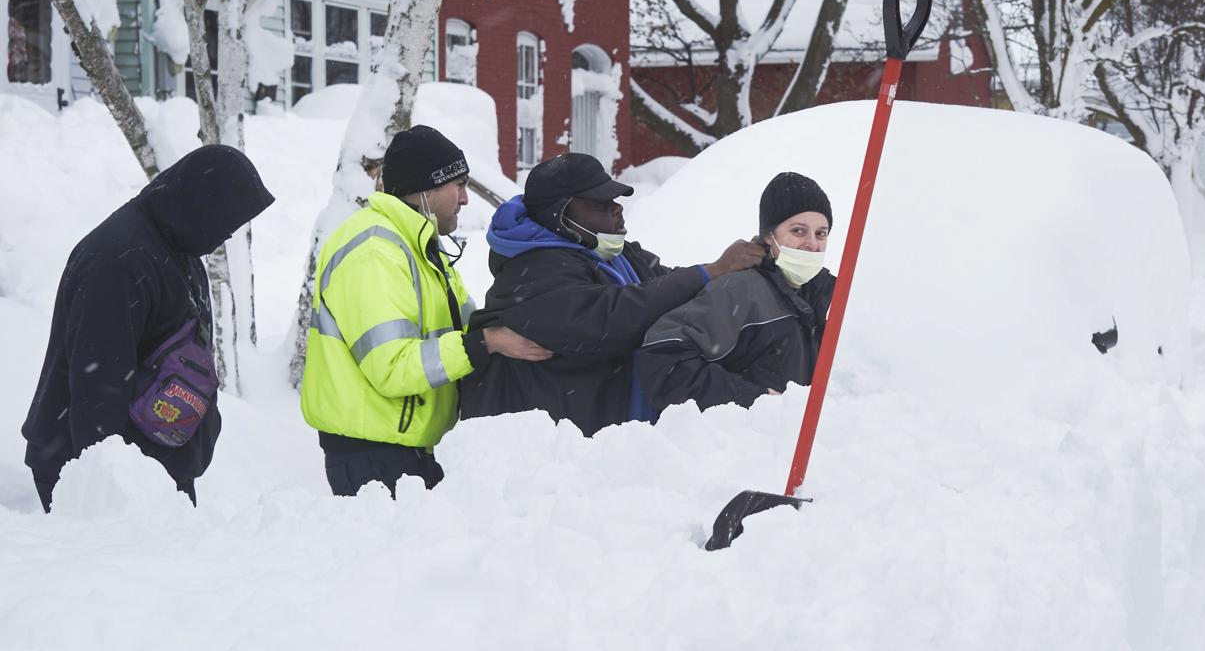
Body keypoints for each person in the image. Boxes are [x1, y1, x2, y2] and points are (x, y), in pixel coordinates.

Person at [300, 126, 550, 496]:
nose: (465, 199)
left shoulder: (417, 247)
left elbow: (467, 324)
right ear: (425, 190)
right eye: (458, 185)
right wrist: (487, 343)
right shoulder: (374, 252)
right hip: (373, 455)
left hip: (406, 447)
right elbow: (392, 367)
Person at [22, 144, 274, 510]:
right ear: (200, 205)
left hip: (154, 467)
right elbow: (97, 391)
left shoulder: (177, 244)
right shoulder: (117, 263)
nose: (229, 235)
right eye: (226, 221)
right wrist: (112, 490)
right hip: (103, 478)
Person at [460, 152, 766, 435]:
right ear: (560, 214)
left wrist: (741, 271)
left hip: (603, 431)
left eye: (615, 200)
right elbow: (607, 319)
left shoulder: (609, 252)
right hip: (548, 455)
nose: (616, 209)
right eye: (600, 203)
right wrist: (710, 270)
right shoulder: (532, 270)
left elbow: (668, 286)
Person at [632, 172, 836, 419]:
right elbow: (663, 361)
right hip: (747, 450)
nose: (812, 244)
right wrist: (752, 400)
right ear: (770, 236)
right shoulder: (741, 289)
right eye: (798, 231)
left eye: (821, 233)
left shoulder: (823, 297)